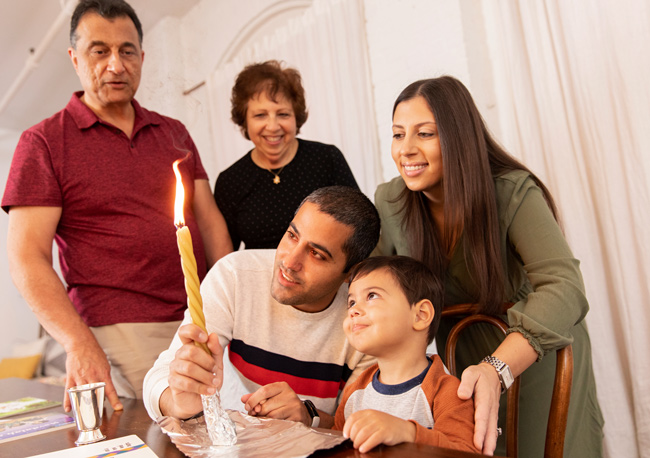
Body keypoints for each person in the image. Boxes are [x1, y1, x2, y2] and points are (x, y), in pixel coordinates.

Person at [1, 0, 232, 413]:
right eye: (99, 51)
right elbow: (26, 257)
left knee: (237, 425)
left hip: (200, 319)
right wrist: (77, 342)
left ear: (141, 57)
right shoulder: (44, 143)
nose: (116, 65)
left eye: (127, 51)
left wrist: (228, 308)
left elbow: (210, 222)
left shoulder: (173, 132)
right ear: (74, 58)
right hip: (122, 328)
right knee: (181, 430)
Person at [373, 76, 604, 457]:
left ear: (459, 138)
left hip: (534, 360)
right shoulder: (390, 200)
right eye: (398, 135)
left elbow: (565, 286)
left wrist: (498, 368)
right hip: (461, 370)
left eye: (425, 134)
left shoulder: (511, 191)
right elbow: (374, 291)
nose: (406, 150)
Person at [144, 186, 380, 429]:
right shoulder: (235, 276)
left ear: (350, 273)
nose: (289, 262)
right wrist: (177, 404)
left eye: (316, 254)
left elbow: (362, 425)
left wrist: (309, 416)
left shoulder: (366, 321)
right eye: (292, 235)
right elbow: (158, 377)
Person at [333, 256, 479, 454]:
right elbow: (336, 448)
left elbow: (465, 452)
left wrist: (409, 433)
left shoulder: (448, 392)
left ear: (420, 315)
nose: (354, 311)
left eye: (372, 296)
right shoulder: (354, 393)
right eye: (351, 302)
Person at [213, 60, 359, 250]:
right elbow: (226, 258)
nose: (273, 127)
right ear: (244, 121)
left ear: (295, 117)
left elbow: (358, 230)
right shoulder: (230, 182)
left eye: (283, 114)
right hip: (261, 278)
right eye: (260, 115)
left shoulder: (327, 159)